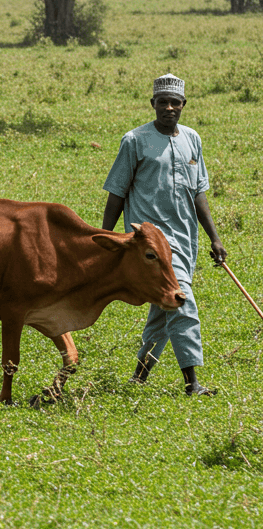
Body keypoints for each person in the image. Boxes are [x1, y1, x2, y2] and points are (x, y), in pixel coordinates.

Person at [103, 73, 227, 396]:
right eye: (162, 102)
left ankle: (139, 377)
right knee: (181, 301)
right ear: (152, 104)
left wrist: (214, 238)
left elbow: (199, 193)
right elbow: (117, 192)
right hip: (152, 245)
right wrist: (104, 237)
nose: (168, 108)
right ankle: (192, 383)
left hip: (185, 242)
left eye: (175, 103)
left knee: (163, 307)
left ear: (184, 105)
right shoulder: (135, 141)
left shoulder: (192, 140)